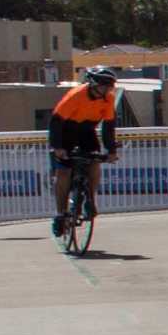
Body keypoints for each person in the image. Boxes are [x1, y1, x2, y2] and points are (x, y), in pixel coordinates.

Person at [47, 66, 121, 235]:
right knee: (63, 171)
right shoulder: (76, 96)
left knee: (94, 162)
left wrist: (111, 150)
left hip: (87, 131)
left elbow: (108, 127)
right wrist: (58, 147)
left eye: (110, 87)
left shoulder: (108, 99)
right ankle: (61, 213)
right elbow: (56, 122)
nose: (108, 90)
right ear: (94, 83)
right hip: (65, 131)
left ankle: (90, 200)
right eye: (105, 86)